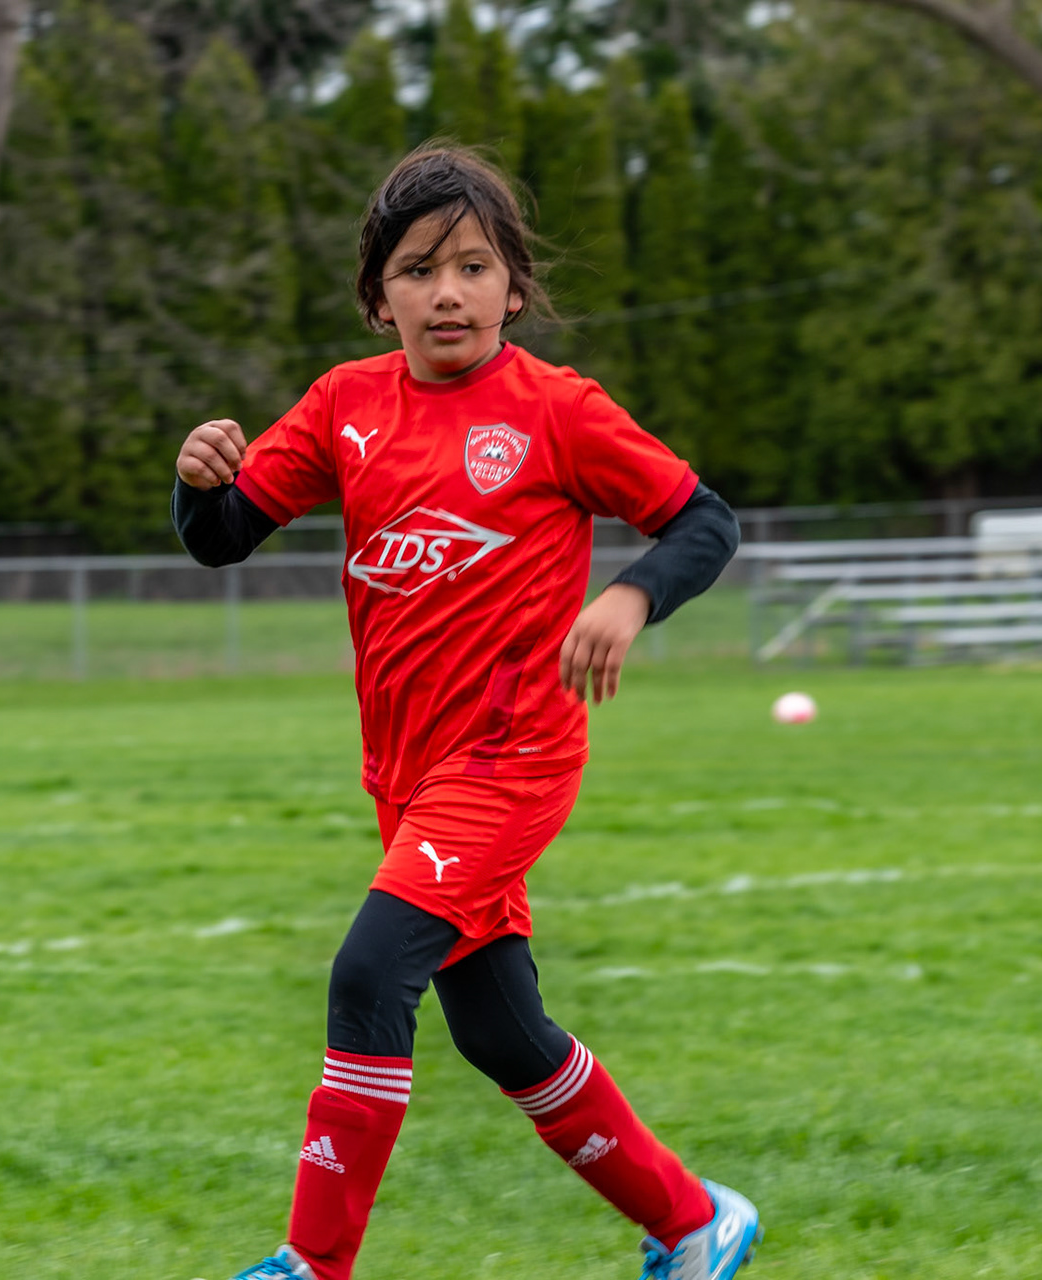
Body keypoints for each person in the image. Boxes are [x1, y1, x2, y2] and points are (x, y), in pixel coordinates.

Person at [172, 145, 754, 1280]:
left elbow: (705, 521)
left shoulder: (556, 409)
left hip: (513, 757)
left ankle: (312, 1264)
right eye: (419, 269)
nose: (448, 291)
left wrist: (629, 597)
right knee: (499, 1031)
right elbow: (224, 534)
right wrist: (196, 479)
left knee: (365, 970)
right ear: (377, 295)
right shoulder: (346, 404)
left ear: (513, 288)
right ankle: (694, 1220)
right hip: (408, 776)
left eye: (475, 266)